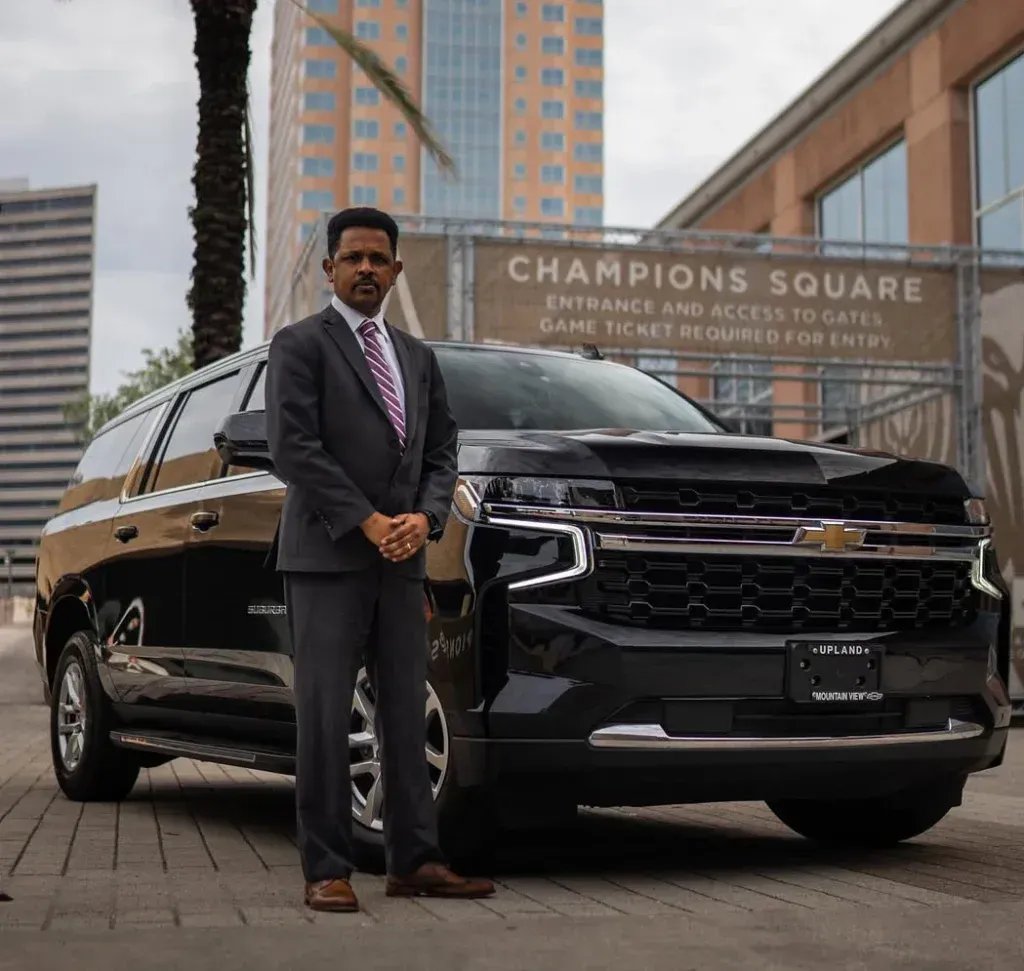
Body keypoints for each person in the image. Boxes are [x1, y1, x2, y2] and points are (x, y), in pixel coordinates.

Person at [265, 207, 495, 913]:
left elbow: (441, 451)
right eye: (352, 257)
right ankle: (326, 865)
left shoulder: (419, 359)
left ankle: (414, 860)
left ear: (396, 271)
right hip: (328, 557)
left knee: (403, 714)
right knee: (327, 715)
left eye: (379, 258)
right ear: (330, 269)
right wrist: (366, 521)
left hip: (401, 563)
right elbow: (293, 447)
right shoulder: (299, 344)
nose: (366, 268)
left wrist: (424, 520)